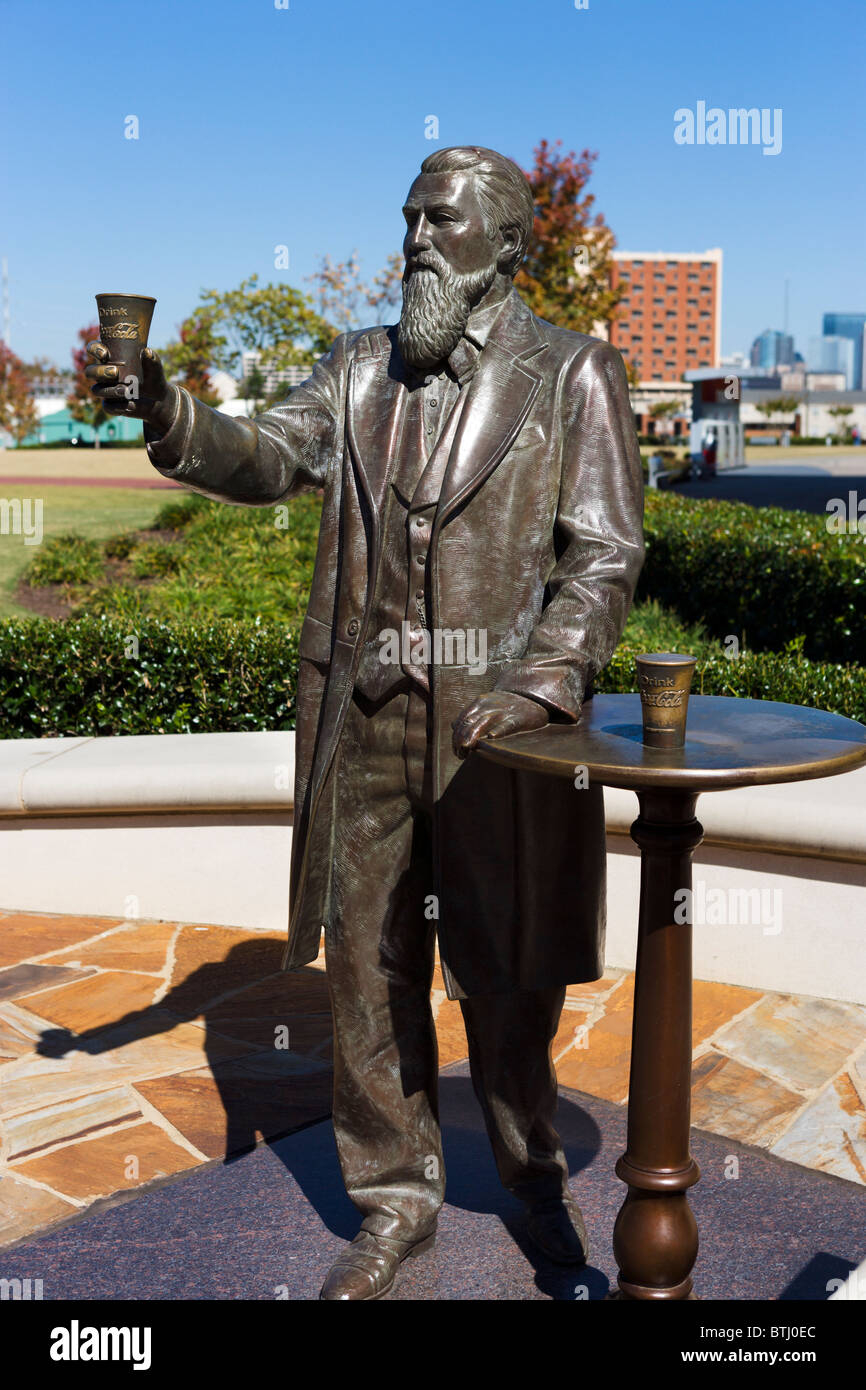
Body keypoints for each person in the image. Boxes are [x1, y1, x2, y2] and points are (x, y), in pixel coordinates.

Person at [87, 146, 645, 1300]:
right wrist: (163, 406)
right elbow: (264, 454)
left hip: (500, 739)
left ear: (502, 242)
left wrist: (543, 680)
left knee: (505, 980)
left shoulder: (572, 372)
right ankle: (392, 1197)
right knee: (368, 975)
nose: (415, 241)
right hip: (369, 725)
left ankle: (533, 1175)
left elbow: (601, 555)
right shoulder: (355, 371)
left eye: (440, 221)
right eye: (406, 220)